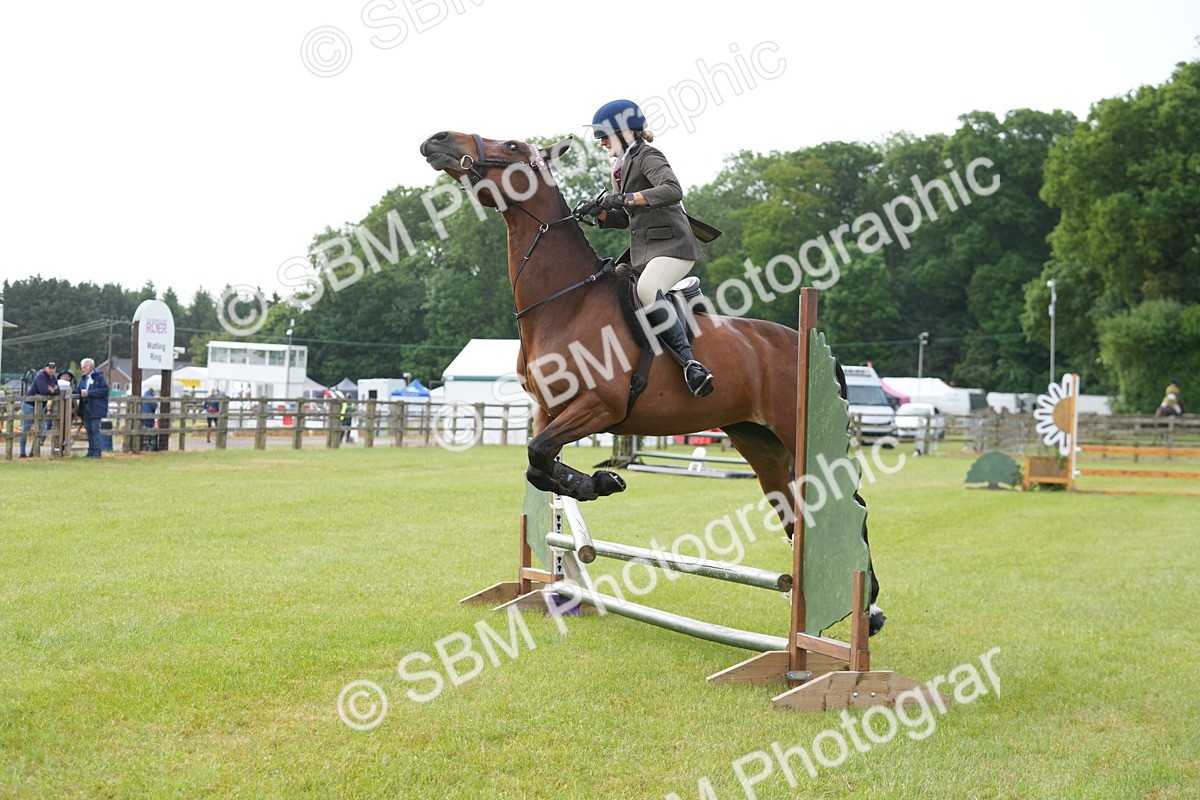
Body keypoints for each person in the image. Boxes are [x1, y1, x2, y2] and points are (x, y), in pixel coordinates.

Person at [579, 98, 713, 397]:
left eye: (604, 135)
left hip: (674, 245)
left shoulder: (647, 155)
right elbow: (623, 218)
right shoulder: (620, 168)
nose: (600, 142)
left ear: (626, 133)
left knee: (647, 290)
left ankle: (690, 364)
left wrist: (625, 198)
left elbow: (672, 189)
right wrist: (599, 211)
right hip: (646, 251)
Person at [19, 361, 60, 458]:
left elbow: (58, 391)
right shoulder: (40, 376)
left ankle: (33, 451)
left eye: (53, 368)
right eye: (50, 367)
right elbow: (44, 391)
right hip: (29, 404)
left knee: (42, 428)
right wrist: (52, 390)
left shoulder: (53, 377)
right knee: (26, 428)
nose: (52, 370)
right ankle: (22, 452)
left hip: (40, 406)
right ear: (45, 368)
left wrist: (53, 390)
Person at [75, 357, 110, 458]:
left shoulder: (99, 377)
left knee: (95, 430)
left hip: (96, 408)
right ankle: (91, 451)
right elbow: (78, 390)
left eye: (84, 367)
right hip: (86, 407)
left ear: (90, 367)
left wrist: (89, 393)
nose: (82, 369)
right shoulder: (83, 379)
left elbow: (104, 390)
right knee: (89, 430)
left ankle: (97, 452)